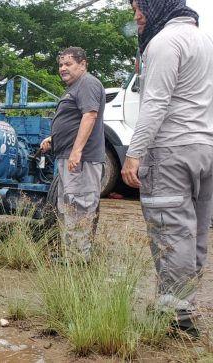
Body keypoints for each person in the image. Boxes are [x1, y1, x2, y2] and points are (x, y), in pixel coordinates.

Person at [121, 0, 213, 338]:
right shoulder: (205, 41)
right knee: (195, 232)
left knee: (170, 231)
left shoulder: (165, 42)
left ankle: (178, 318)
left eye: (139, 6)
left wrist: (135, 152)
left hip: (172, 150)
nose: (137, 16)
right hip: (205, 148)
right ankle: (177, 302)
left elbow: (156, 101)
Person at [39, 46, 106, 263]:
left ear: (83, 64)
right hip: (67, 156)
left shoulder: (88, 83)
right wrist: (53, 140)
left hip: (81, 160)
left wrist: (77, 151)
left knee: (80, 206)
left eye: (68, 64)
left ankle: (79, 258)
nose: (63, 68)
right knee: (69, 207)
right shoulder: (74, 87)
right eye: (60, 64)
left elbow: (89, 116)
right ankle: (72, 255)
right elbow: (73, 121)